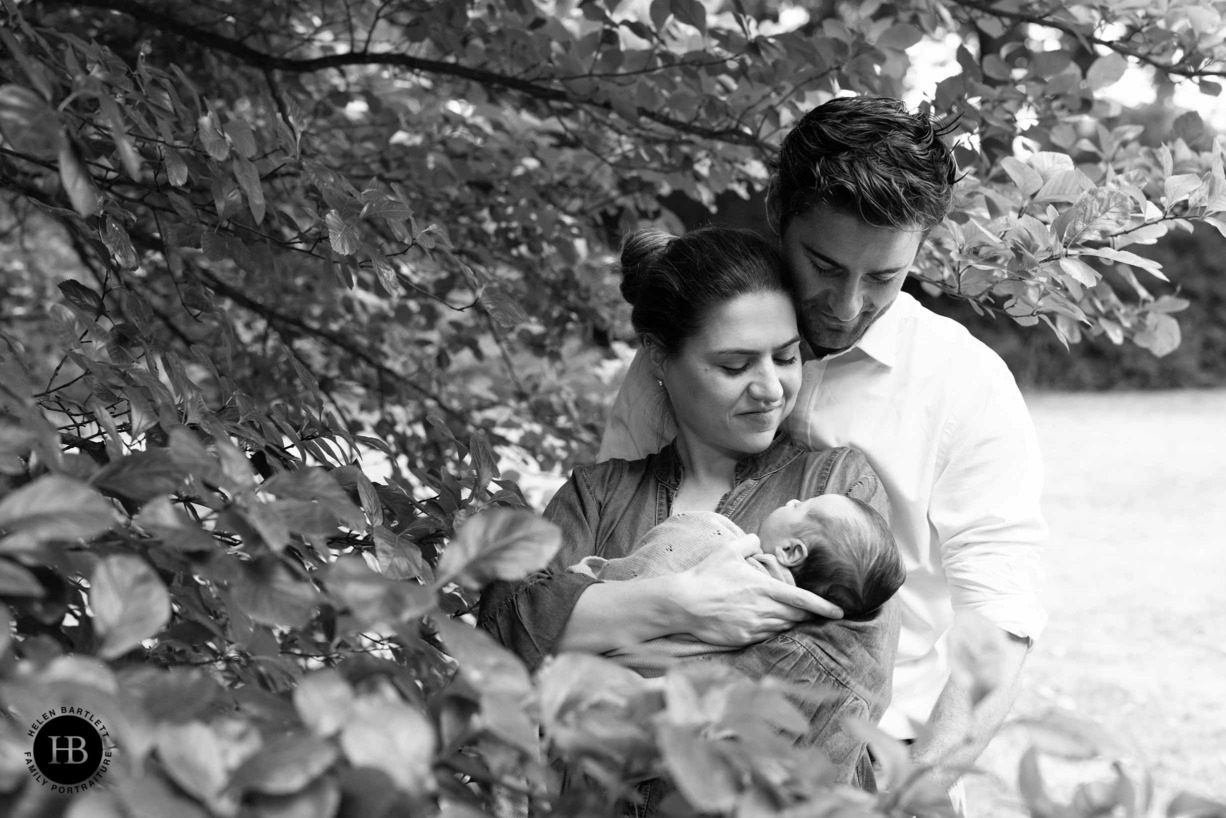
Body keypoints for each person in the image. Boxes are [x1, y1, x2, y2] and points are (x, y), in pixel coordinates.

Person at [597, 96, 1048, 807]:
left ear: (920, 249)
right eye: (823, 265)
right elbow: (617, 528)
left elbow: (1001, 616)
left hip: (877, 764)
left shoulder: (967, 386)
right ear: (779, 210)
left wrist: (911, 795)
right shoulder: (682, 354)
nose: (844, 305)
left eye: (883, 278)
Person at [479, 226, 901, 791]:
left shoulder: (835, 485)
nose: (771, 388)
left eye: (786, 356)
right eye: (735, 366)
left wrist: (594, 633)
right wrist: (686, 603)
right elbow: (507, 628)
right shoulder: (598, 494)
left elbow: (843, 683)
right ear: (659, 359)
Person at [566, 494, 905, 676]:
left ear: (789, 551)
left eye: (801, 507)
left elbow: (658, 556)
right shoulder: (793, 634)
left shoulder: (716, 540)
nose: (791, 501)